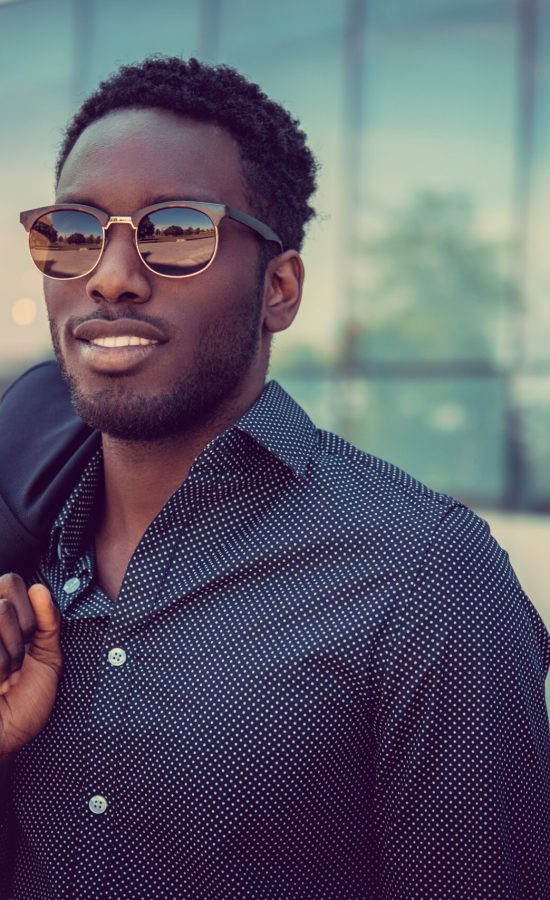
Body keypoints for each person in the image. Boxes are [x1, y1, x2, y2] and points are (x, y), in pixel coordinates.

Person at [0, 56, 549, 898]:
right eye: (73, 234)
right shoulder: (23, 541)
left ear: (280, 289)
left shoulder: (428, 579)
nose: (110, 276)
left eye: (176, 231)